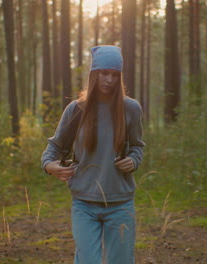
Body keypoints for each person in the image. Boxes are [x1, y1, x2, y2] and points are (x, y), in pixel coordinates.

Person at [41, 45, 144, 264]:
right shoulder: (76, 110)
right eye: (104, 73)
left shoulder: (131, 109)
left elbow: (137, 147)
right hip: (84, 203)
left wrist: (133, 160)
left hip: (120, 203)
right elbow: (54, 148)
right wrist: (50, 166)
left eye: (115, 75)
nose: (109, 79)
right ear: (93, 74)